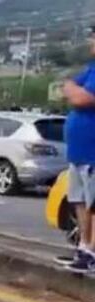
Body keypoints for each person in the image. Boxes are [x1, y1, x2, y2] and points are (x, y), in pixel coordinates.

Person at [59, 25, 95, 272]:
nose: (91, 41)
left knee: (93, 203)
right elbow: (68, 87)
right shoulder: (91, 70)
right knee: (80, 202)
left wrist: (73, 89)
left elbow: (81, 98)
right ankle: (83, 248)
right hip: (79, 152)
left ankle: (91, 252)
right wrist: (73, 88)